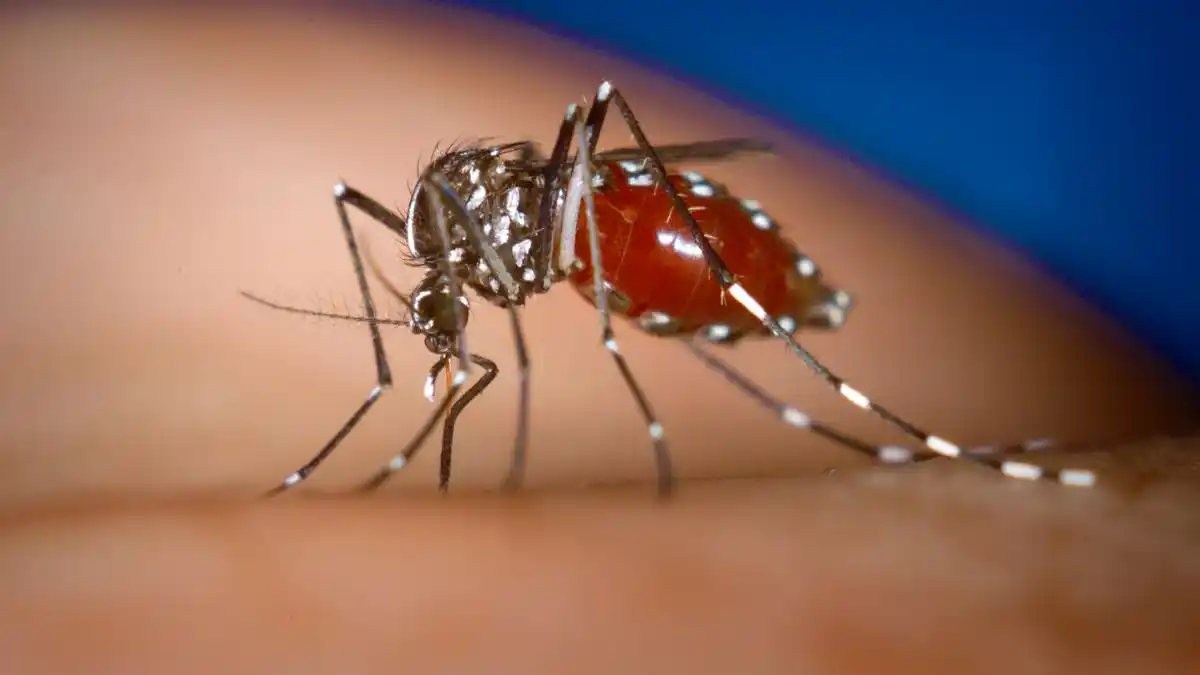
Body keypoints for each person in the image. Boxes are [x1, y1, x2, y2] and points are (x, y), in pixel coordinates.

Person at [0, 6, 1196, 674]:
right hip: (609, 225)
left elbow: (544, 192)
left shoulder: (488, 259)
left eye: (427, 338)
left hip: (638, 226)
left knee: (576, 196)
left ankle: (817, 389)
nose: (441, 352)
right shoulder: (434, 255)